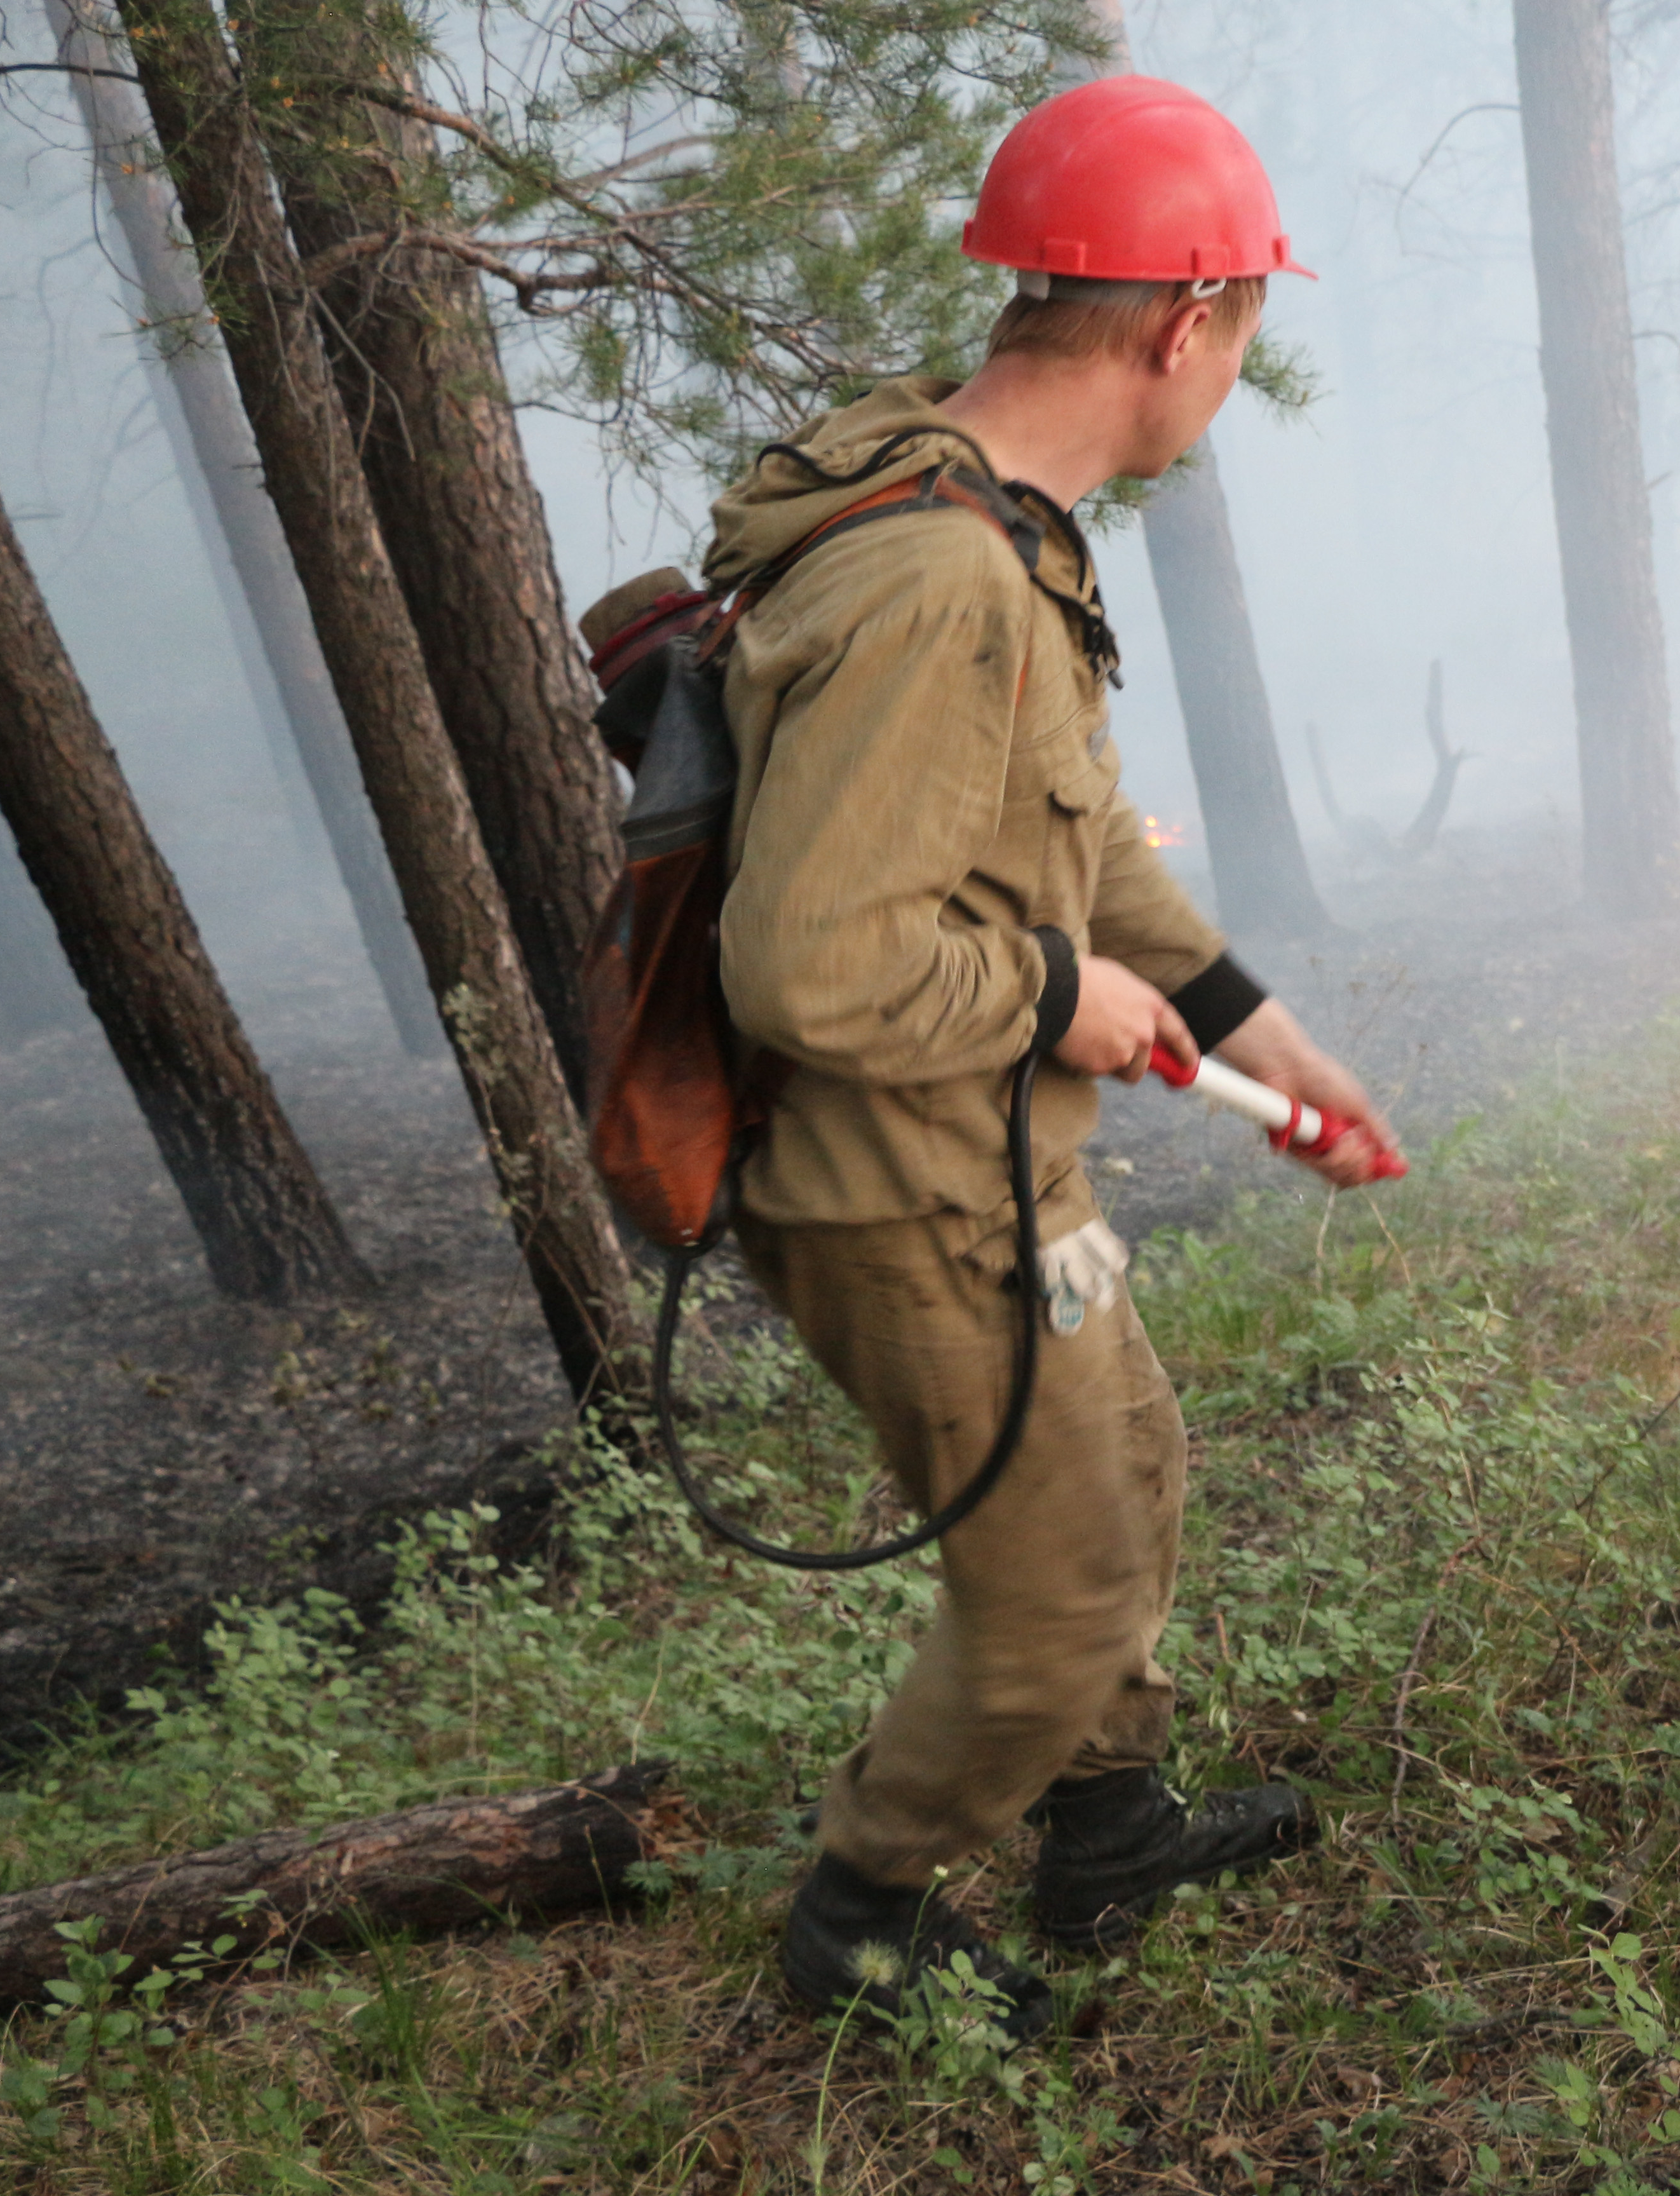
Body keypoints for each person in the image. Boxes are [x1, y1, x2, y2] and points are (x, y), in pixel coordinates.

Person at [698, 74, 1399, 2039]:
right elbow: (808, 965)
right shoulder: (942, 584)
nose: (1229, 375)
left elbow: (1071, 846)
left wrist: (1273, 1040)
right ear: (1186, 328)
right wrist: (1047, 995)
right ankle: (860, 1918)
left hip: (1005, 1164)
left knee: (1135, 1463)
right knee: (1059, 1594)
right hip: (905, 1195)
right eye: (1244, 335)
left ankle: (1108, 1825)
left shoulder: (992, 521)